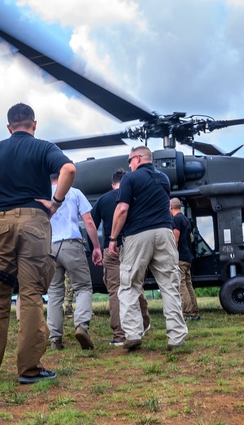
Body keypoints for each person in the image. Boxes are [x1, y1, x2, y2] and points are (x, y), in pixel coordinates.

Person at [0, 103, 75, 385]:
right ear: (34, 124)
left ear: (9, 128)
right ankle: (29, 370)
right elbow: (68, 169)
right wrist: (55, 203)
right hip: (34, 222)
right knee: (30, 294)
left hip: (0, 222)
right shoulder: (43, 148)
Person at [108, 147, 187, 351]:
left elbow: (122, 209)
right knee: (170, 285)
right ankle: (176, 337)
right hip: (164, 232)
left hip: (138, 235)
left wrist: (112, 238)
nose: (129, 165)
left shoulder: (130, 179)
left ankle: (133, 334)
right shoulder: (163, 179)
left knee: (129, 286)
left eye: (130, 161)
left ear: (138, 158)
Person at [91, 169, 151, 346]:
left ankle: (120, 335)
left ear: (112, 184)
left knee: (115, 291)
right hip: (134, 246)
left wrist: (95, 247)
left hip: (112, 248)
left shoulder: (103, 199)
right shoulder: (136, 197)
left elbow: (92, 225)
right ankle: (143, 324)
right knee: (135, 285)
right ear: (127, 182)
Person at [47, 173, 102, 351]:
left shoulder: (41, 193)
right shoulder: (75, 193)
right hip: (70, 244)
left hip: (48, 247)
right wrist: (96, 247)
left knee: (54, 293)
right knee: (83, 287)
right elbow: (88, 221)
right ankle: (81, 326)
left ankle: (55, 338)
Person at [170, 198, 200, 321]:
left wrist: (172, 255)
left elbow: (175, 239)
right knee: (188, 284)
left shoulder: (176, 219)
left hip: (180, 257)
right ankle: (195, 311)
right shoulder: (185, 219)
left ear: (171, 207)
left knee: (181, 285)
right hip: (187, 256)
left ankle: (188, 312)